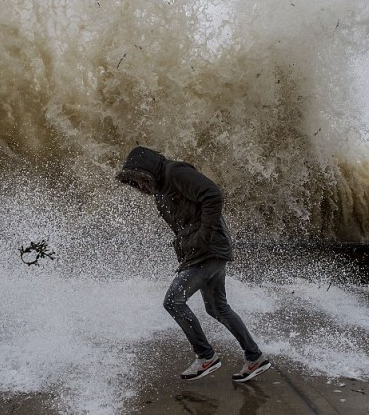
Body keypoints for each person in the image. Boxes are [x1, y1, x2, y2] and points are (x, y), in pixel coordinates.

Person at [116, 146, 270, 382]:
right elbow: (183, 226)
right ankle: (255, 357)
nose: (141, 187)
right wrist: (187, 248)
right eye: (136, 184)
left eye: (140, 181)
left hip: (209, 250)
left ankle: (206, 356)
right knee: (217, 308)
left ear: (147, 170)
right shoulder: (162, 189)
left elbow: (213, 195)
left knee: (173, 301)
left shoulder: (175, 173)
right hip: (203, 252)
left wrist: (203, 237)